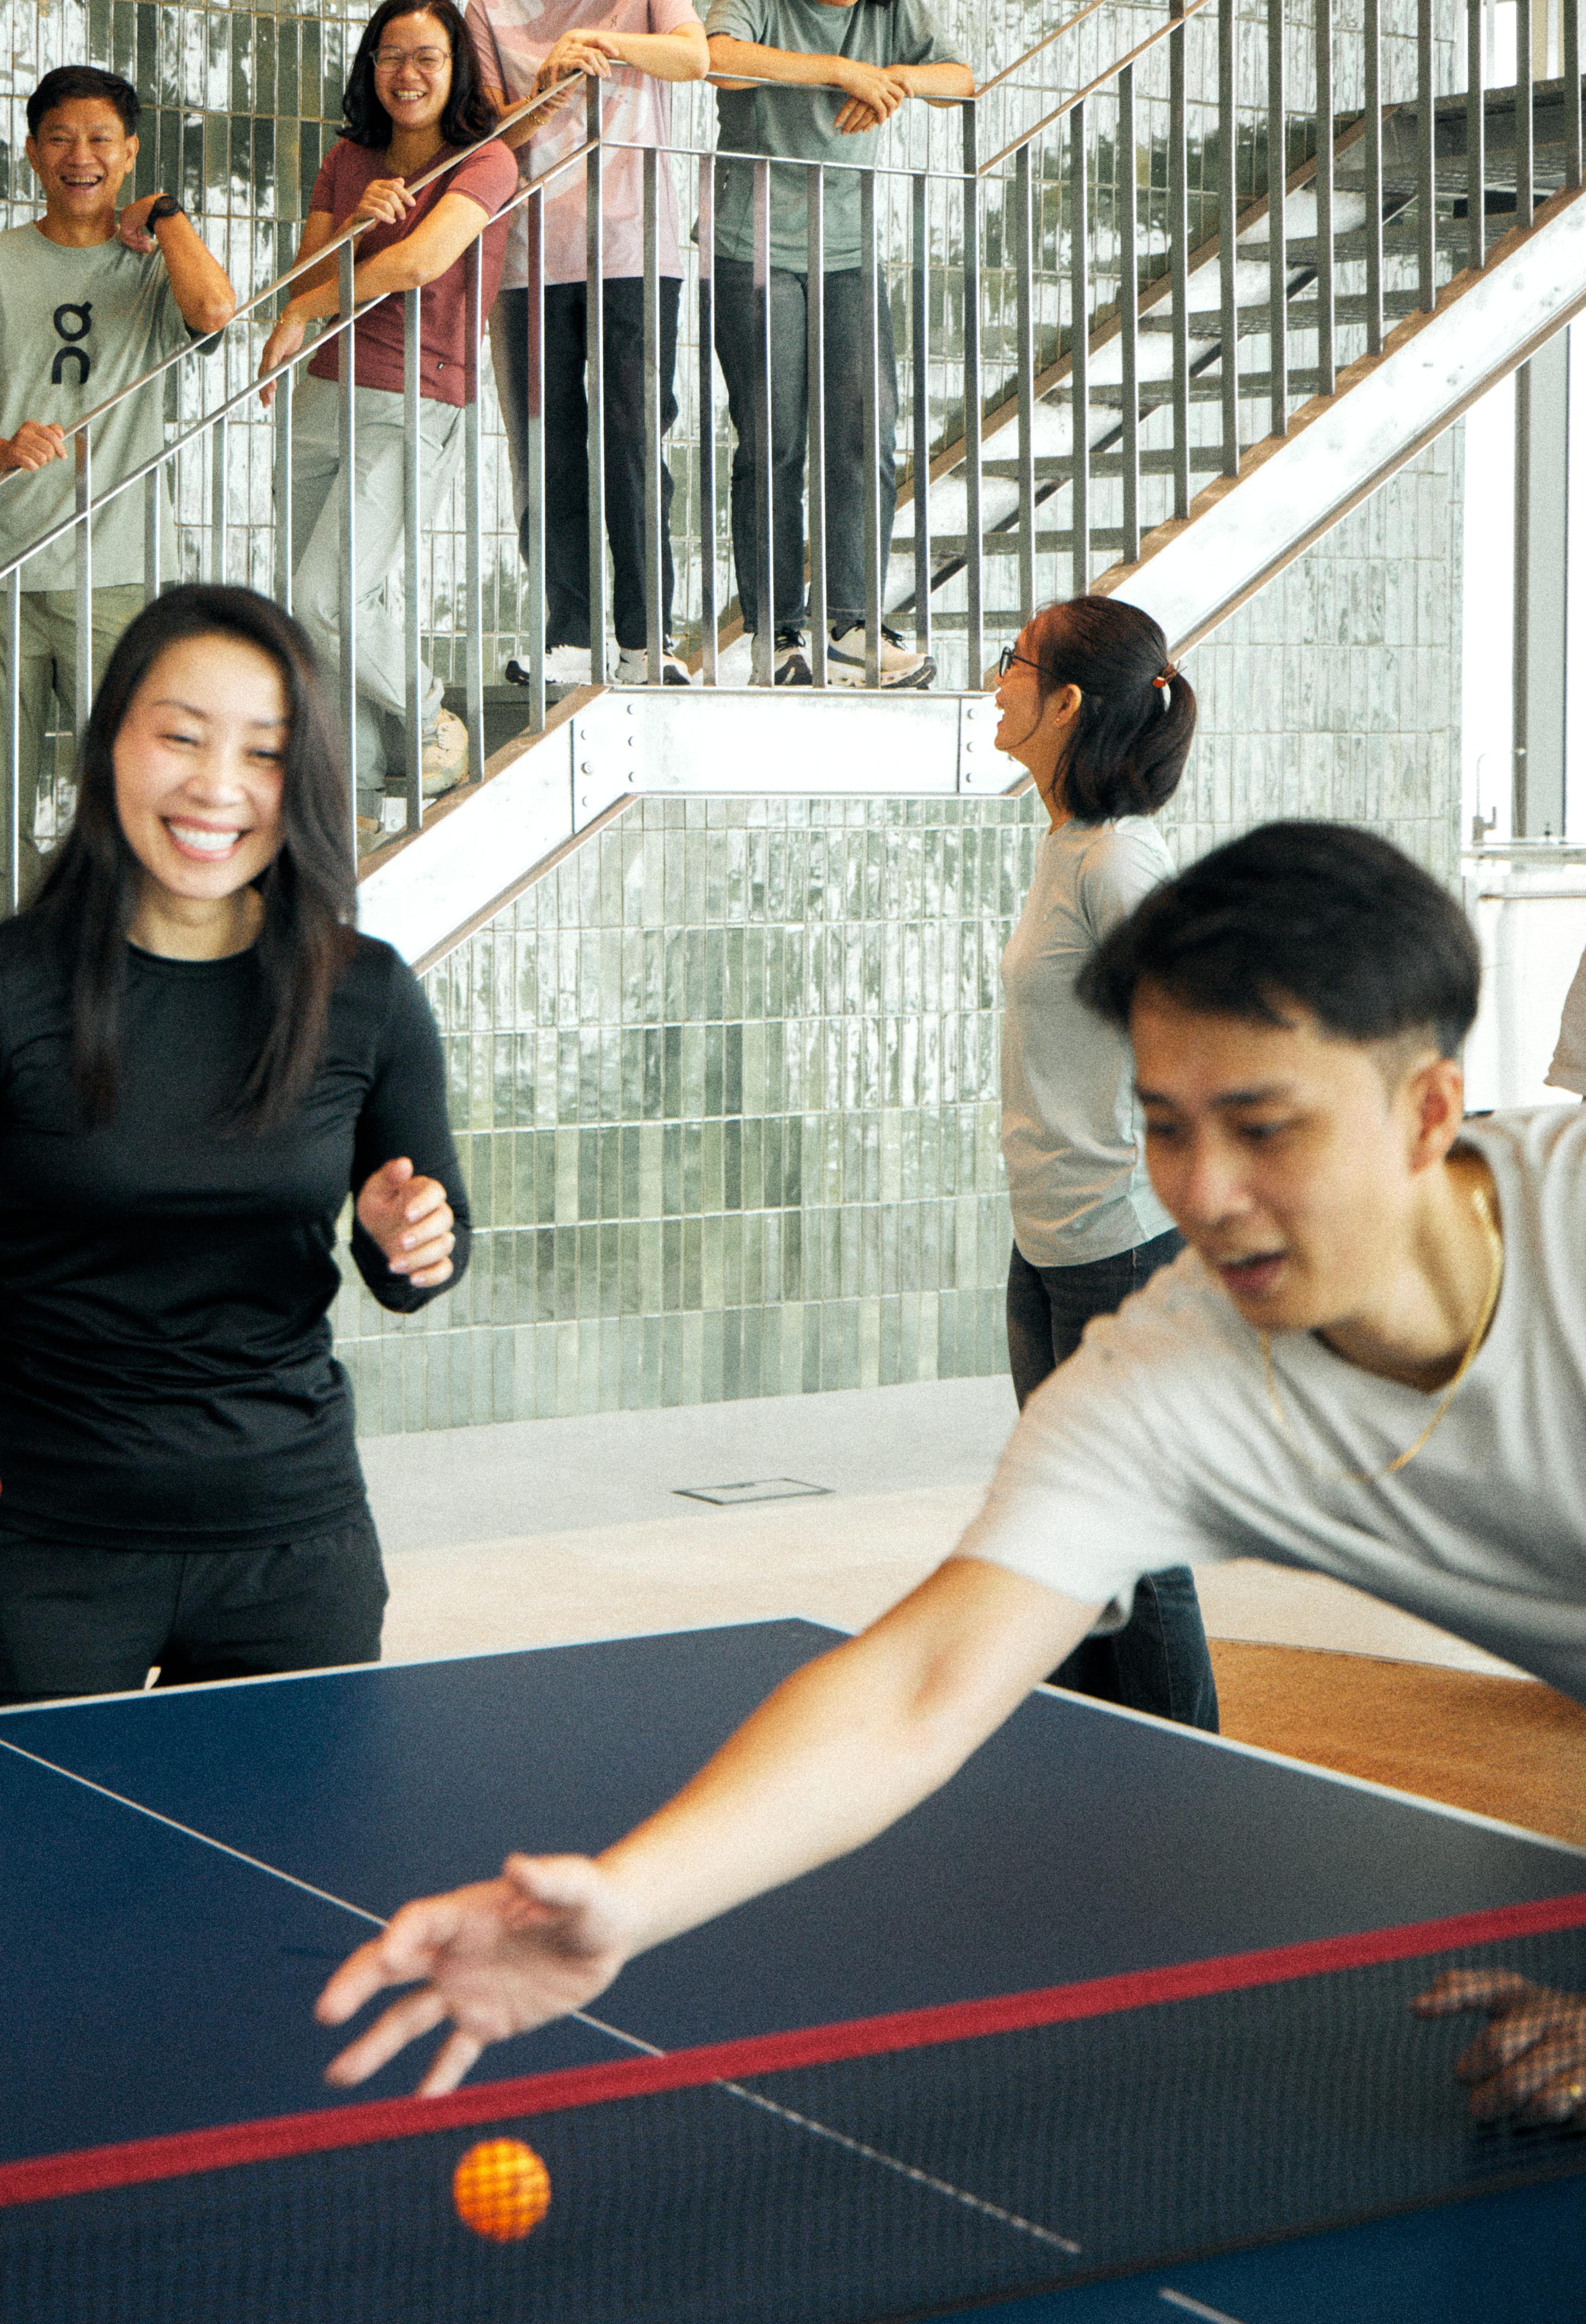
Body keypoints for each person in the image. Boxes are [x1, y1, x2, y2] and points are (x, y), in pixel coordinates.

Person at [315, 822, 1586, 2132]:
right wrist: (630, 1902)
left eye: (1264, 1128)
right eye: (1163, 1126)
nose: (1205, 1191)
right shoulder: (1174, 1372)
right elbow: (921, 1685)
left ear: (1430, 1110)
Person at [0, 583, 472, 1710]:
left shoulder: (367, 995)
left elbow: (424, 1259)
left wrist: (409, 1239)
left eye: (263, 751)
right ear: (112, 748)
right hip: (38, 1549)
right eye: (183, 737)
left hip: (292, 1551)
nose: (217, 785)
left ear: (303, 780)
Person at [0, 64, 237, 930]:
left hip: (117, 573)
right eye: (59, 138)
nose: (78, 156)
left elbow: (217, 310)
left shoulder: (156, 265)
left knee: (135, 785)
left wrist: (167, 218)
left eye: (99, 140)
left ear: (128, 155)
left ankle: (122, 957)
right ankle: (25, 968)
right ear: (30, 152)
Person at [993, 594, 1217, 1729]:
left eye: (1014, 662)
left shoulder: (1119, 859)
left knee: (1129, 1532)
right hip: (1052, 1241)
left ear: (1067, 702)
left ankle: (1196, 1783)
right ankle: (1100, 1768)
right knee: (1067, 1525)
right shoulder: (1068, 845)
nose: (995, 681)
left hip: (1117, 1248)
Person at [705, 0, 974, 689]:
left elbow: (960, 78)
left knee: (864, 435)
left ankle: (854, 624)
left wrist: (890, 79)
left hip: (851, 252)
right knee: (775, 440)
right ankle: (779, 634)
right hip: (754, 245)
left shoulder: (890, 4)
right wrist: (837, 70)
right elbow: (716, 59)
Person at [258, 0, 518, 832]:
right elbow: (305, 279)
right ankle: (355, 809)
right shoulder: (349, 157)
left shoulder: (486, 160)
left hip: (415, 395)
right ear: (372, 69)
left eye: (428, 57)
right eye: (391, 56)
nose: (408, 73)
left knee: (329, 599)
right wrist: (346, 236)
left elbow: (420, 261)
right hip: (323, 395)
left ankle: (434, 716)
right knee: (314, 618)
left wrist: (307, 308)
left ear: (458, 69)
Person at [465, 0, 710, 689]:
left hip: (634, 249)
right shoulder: (491, 8)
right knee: (549, 444)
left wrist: (599, 47)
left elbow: (692, 55)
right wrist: (541, 91)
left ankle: (648, 639)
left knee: (635, 437)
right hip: (529, 257)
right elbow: (488, 131)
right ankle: (568, 634)